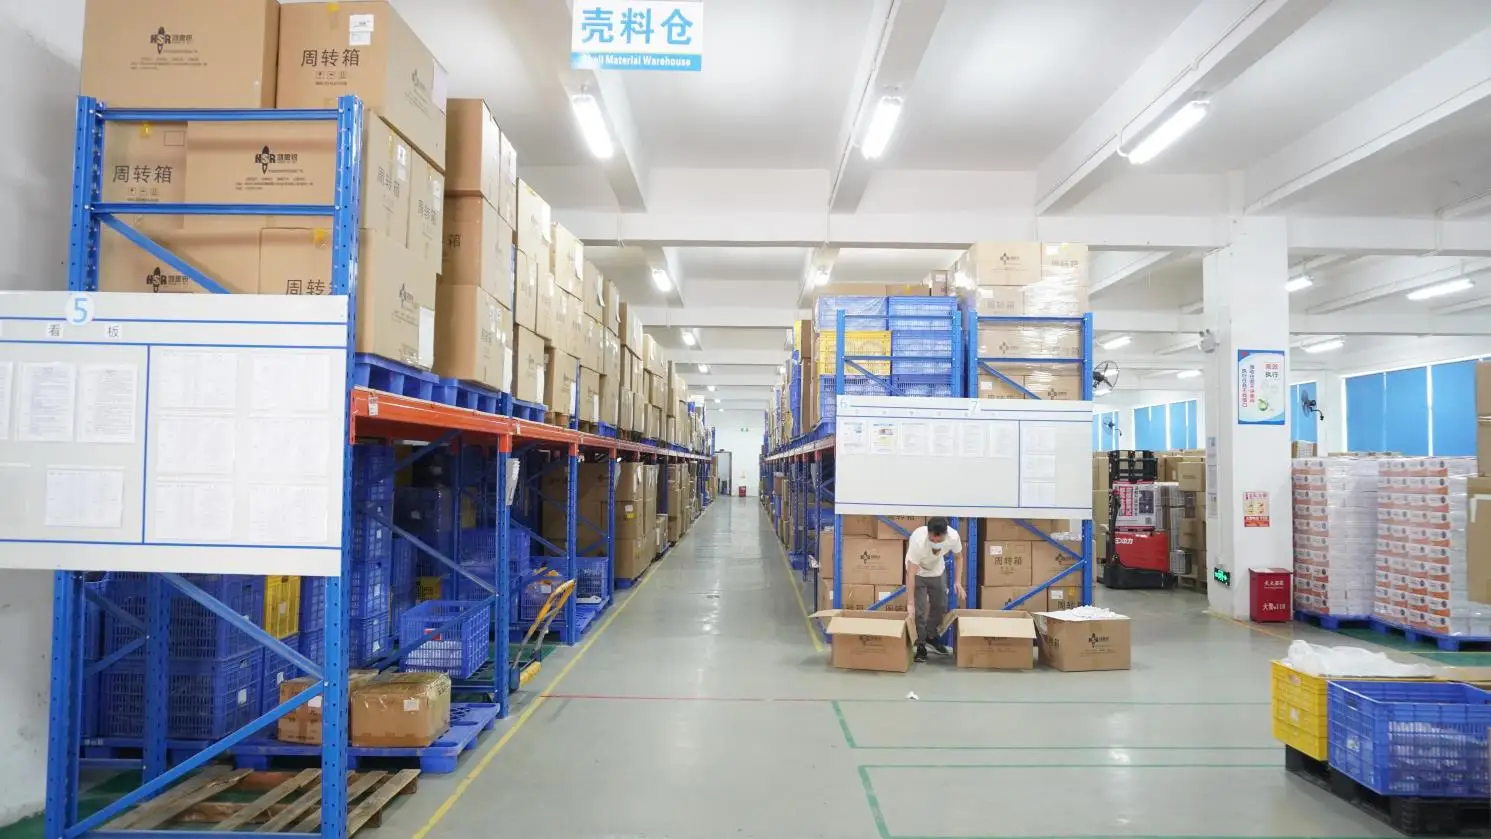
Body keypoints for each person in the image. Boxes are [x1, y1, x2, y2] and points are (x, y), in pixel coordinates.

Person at [904, 516, 964, 663]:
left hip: (936, 571)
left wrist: (958, 581)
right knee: (919, 610)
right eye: (932, 539)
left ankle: (930, 635)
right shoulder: (918, 541)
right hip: (917, 572)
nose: (935, 543)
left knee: (941, 605)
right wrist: (910, 603)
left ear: (945, 534)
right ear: (928, 533)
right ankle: (921, 645)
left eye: (939, 540)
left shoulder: (953, 537)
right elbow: (911, 573)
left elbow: (959, 557)